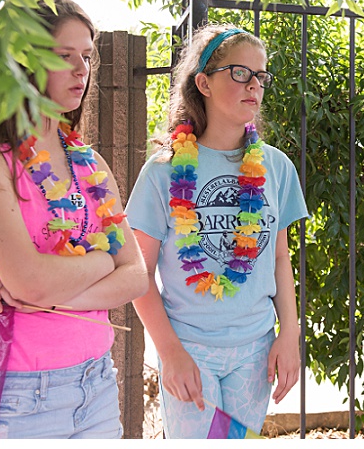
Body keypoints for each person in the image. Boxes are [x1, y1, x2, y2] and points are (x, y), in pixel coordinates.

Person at [0, 0, 148, 437]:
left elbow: (137, 277)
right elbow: (29, 279)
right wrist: (105, 262)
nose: (82, 68)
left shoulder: (90, 163)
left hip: (97, 382)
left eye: (87, 56)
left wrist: (49, 296)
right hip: (12, 393)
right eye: (63, 55)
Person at [125, 24, 309, 438]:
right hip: (190, 347)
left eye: (261, 76)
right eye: (240, 73)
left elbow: (279, 258)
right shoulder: (164, 171)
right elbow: (139, 274)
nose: (254, 85)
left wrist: (289, 335)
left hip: (256, 349)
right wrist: (169, 352)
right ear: (204, 82)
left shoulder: (276, 168)